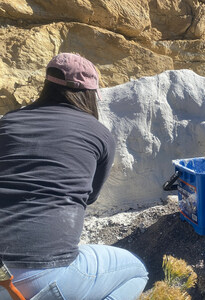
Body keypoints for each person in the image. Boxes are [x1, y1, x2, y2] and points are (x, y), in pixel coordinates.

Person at [0, 53, 148, 299]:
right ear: (88, 95)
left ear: (47, 85)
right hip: (42, 275)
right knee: (137, 271)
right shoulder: (100, 135)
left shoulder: (8, 123)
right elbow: (89, 197)